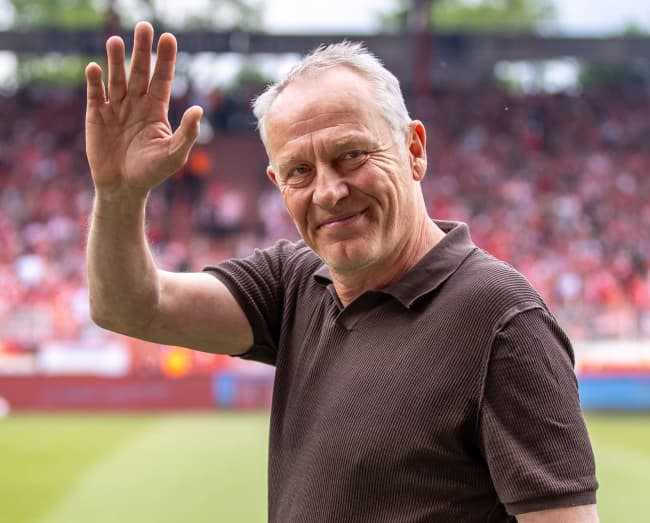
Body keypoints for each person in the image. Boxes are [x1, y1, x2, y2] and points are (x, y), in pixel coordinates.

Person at [85, 21, 599, 523]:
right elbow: (129, 305)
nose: (329, 191)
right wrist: (119, 194)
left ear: (414, 149)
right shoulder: (293, 283)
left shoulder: (502, 319)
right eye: (299, 172)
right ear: (276, 183)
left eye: (351, 155)